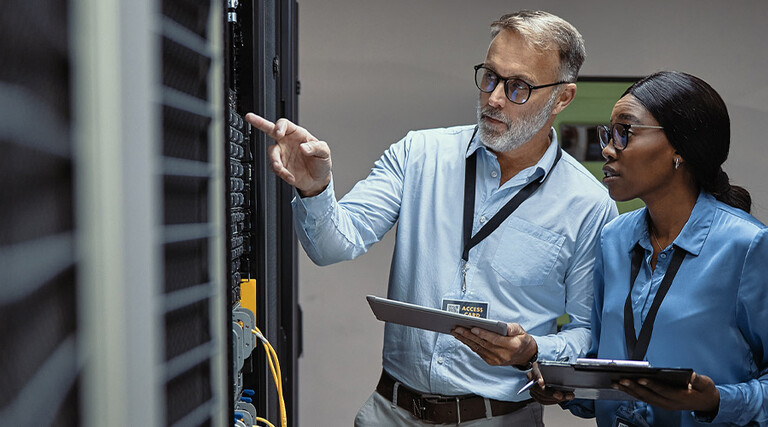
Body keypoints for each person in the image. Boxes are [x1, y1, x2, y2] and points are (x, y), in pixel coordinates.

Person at [247, 10, 617, 426]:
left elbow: (587, 334)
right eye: (490, 76)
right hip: (392, 412)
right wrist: (315, 188)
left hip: (499, 418)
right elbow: (333, 245)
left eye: (518, 87)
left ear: (562, 97)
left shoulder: (588, 204)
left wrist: (531, 351)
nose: (494, 98)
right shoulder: (419, 154)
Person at [528, 71, 768, 426]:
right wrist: (568, 388)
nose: (608, 148)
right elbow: (602, 363)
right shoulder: (613, 239)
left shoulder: (747, 246)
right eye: (609, 133)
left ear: (680, 149)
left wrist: (716, 401)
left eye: (625, 132)